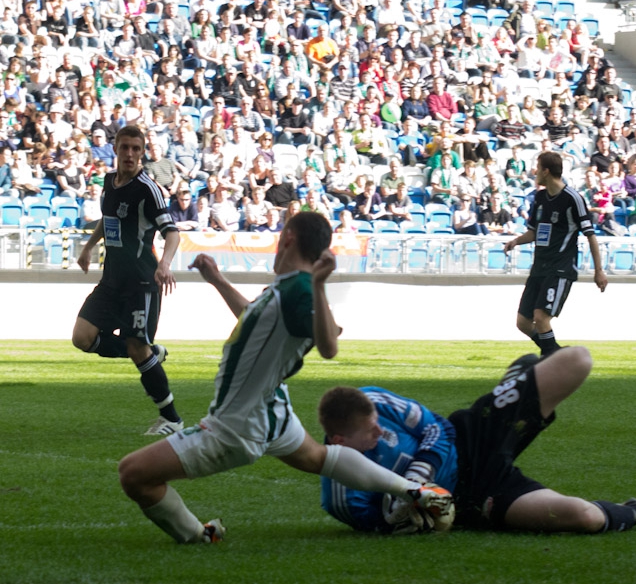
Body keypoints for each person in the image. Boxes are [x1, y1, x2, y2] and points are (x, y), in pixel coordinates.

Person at [116, 212, 453, 544]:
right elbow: (255, 320)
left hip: (237, 424)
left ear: (288, 238)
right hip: (273, 409)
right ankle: (415, 491)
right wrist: (217, 280)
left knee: (133, 474)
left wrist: (320, 286)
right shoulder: (288, 288)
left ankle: (199, 536)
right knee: (320, 458)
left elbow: (330, 345)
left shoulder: (302, 289)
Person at [320, 348, 636, 534]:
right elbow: (385, 527)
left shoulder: (376, 401)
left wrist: (421, 472)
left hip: (470, 439)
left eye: (377, 424)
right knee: (581, 516)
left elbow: (438, 429)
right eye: (369, 433)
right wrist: (410, 511)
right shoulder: (341, 495)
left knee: (577, 360)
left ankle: (511, 388)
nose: (379, 431)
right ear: (339, 440)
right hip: (472, 498)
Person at [72, 125, 184, 436]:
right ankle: (151, 353)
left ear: (143, 152)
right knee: (82, 337)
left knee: (136, 346)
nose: (130, 154)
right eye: (125, 148)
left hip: (140, 283)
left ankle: (172, 419)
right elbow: (109, 220)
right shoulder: (110, 182)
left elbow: (172, 232)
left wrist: (164, 264)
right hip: (111, 282)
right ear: (116, 149)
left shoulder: (148, 189)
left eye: (136, 148)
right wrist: (88, 246)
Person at [503, 152, 608, 356]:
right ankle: (556, 354)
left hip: (560, 267)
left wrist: (599, 271)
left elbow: (590, 236)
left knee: (541, 318)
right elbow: (534, 232)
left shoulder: (572, 199)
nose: (535, 171)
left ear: (546, 171)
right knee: (523, 323)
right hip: (539, 267)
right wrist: (516, 241)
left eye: (538, 167)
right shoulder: (540, 197)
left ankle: (551, 361)